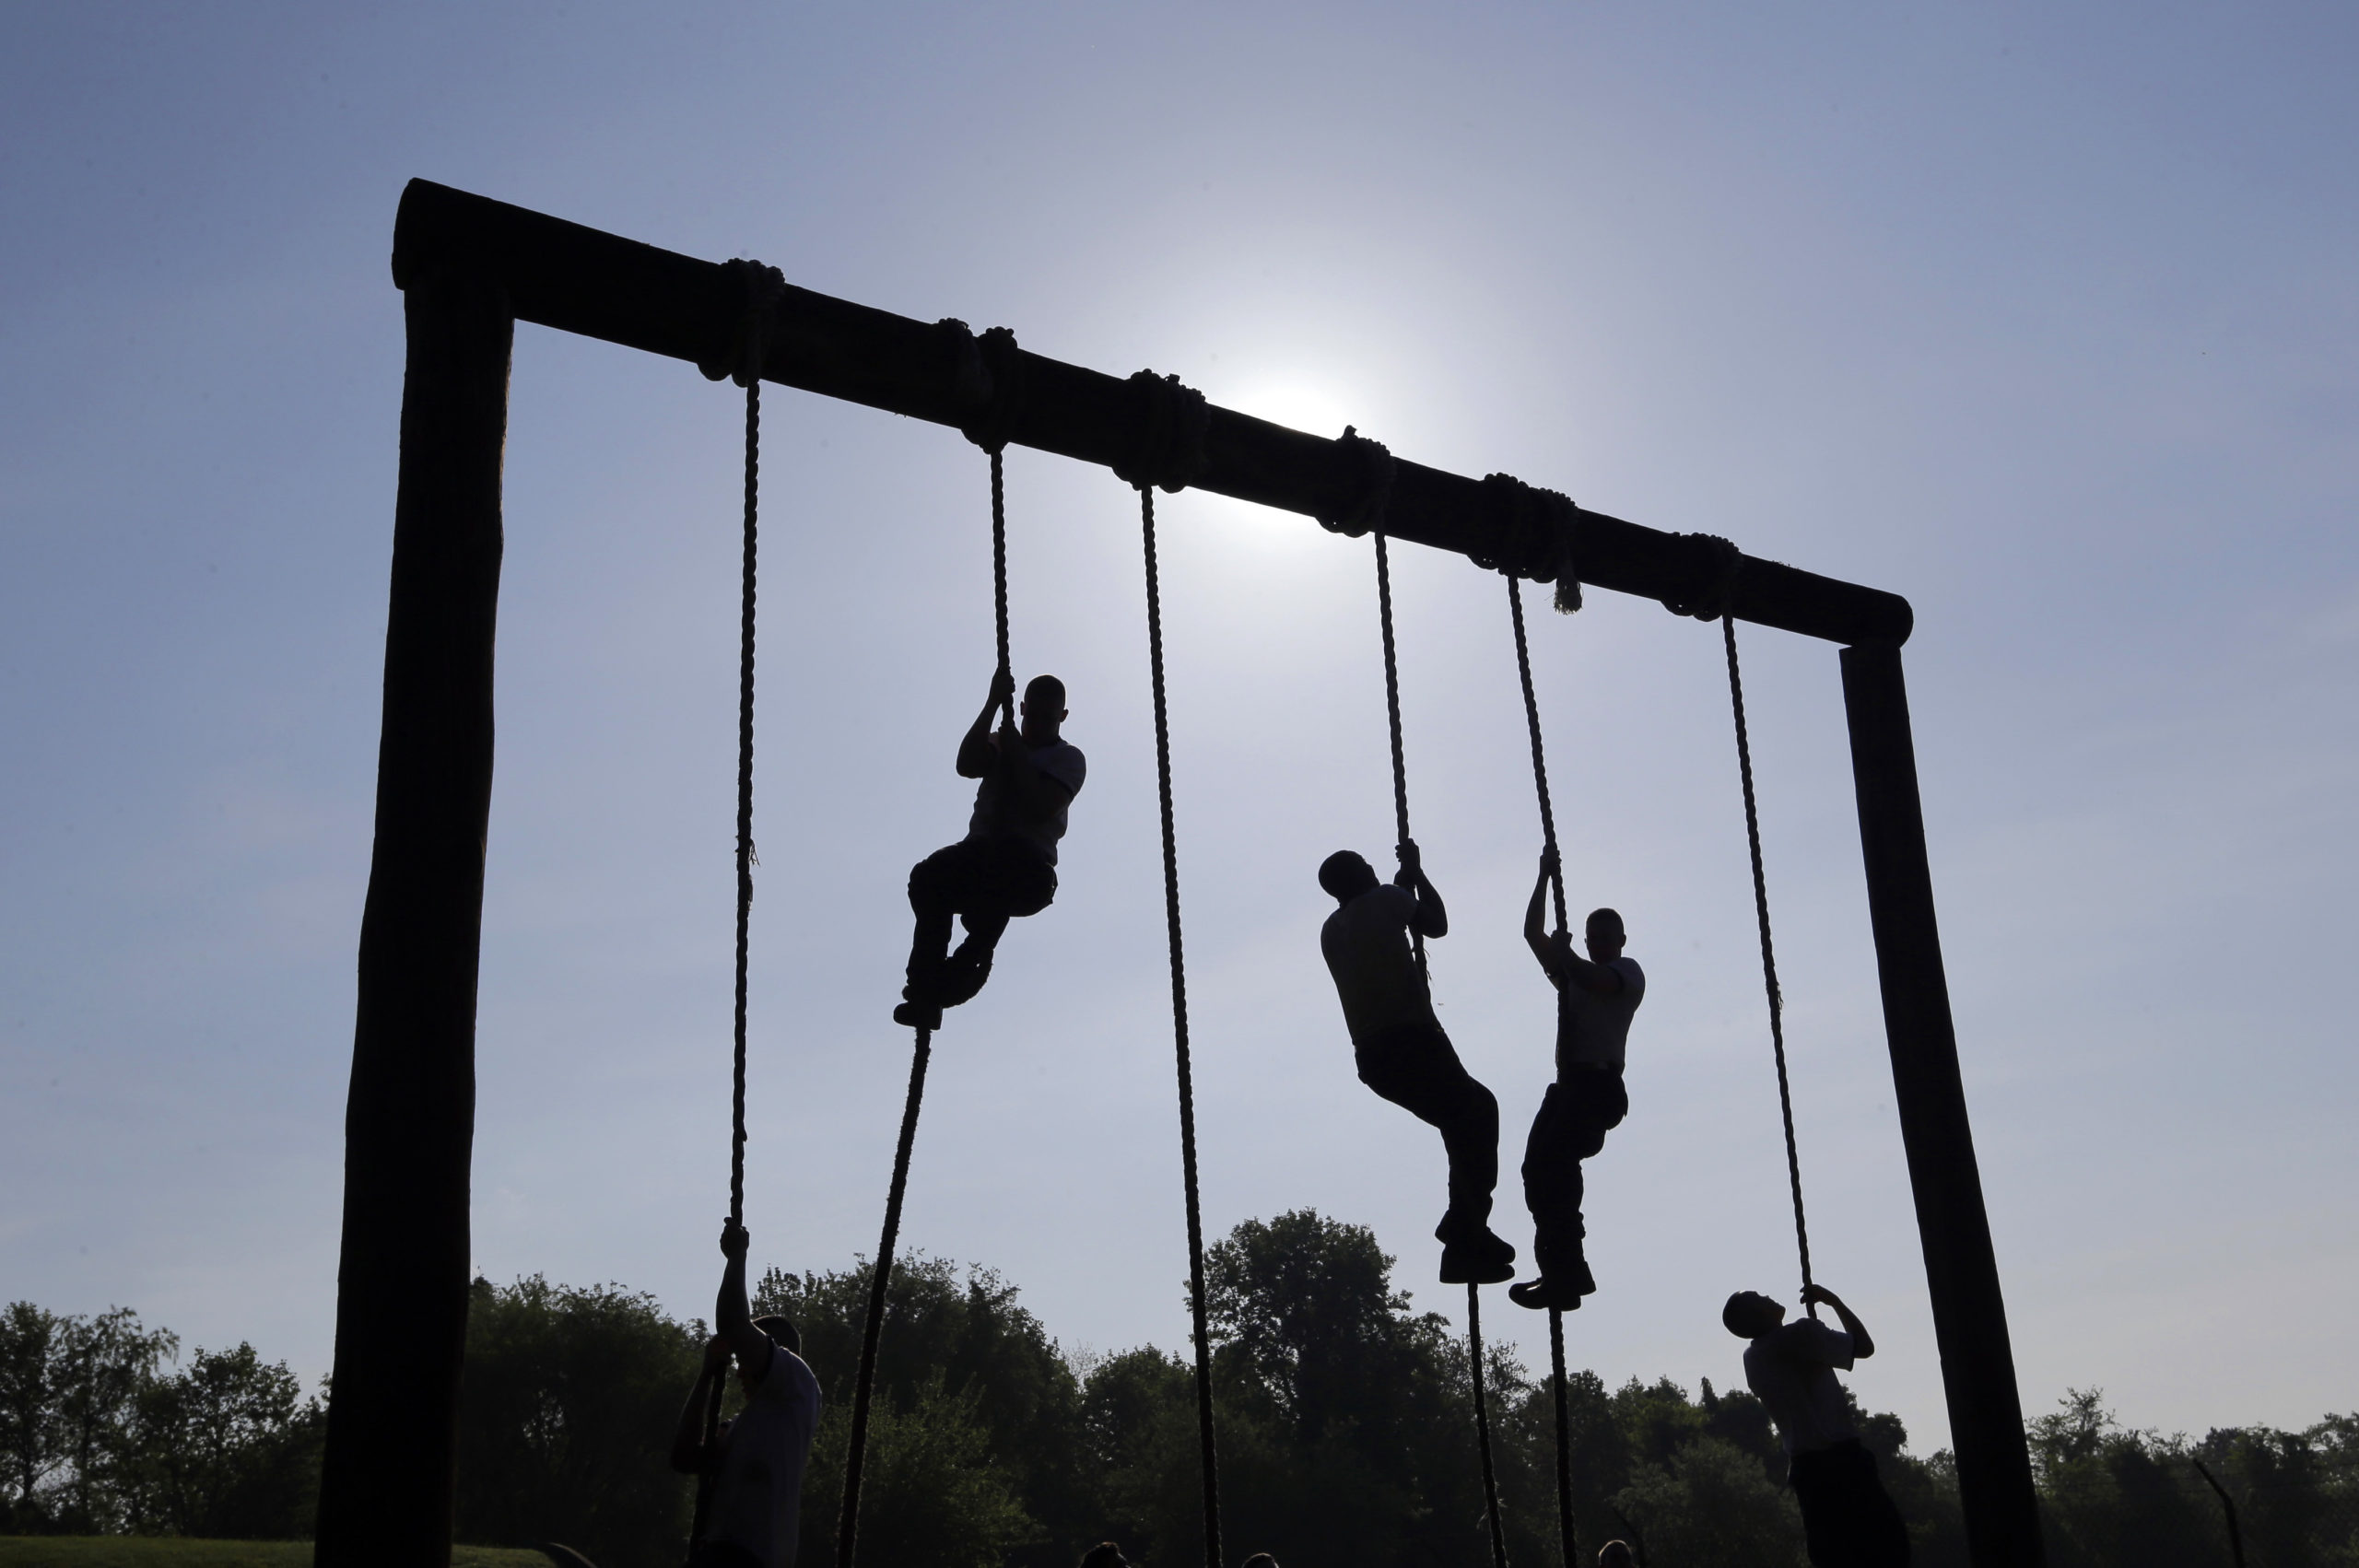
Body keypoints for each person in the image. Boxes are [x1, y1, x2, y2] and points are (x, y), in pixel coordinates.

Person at [1317, 840, 1514, 1283]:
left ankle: (1465, 1232)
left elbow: (1383, 932)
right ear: (1361, 875)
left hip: (1374, 1059)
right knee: (1478, 1112)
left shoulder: (1331, 930)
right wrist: (1417, 874)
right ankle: (1464, 1230)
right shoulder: (1388, 898)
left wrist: (1400, 886)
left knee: (1461, 1121)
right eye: (1367, 866)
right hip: (1414, 1040)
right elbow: (1437, 925)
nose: (1373, 868)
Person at [897, 670, 1086, 1030]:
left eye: (1048, 718)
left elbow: (1040, 806)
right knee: (927, 877)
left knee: (1007, 854)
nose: (1040, 724)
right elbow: (966, 765)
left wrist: (1015, 753)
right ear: (1024, 709)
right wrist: (992, 704)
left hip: (1028, 873)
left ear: (1062, 717)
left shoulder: (1069, 759)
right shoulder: (1000, 742)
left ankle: (973, 957)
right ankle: (924, 990)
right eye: (1033, 716)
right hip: (979, 860)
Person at [1510, 848, 1644, 1311]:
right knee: (1536, 1172)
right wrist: (1543, 876)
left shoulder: (1626, 973)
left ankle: (1567, 1273)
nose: (1600, 944)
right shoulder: (1570, 974)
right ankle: (1561, 1270)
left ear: (1621, 940)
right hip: (1569, 1088)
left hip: (1596, 1088)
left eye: (1607, 938)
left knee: (1556, 1169)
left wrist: (1567, 956)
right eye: (1594, 939)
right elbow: (1532, 933)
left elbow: (1594, 980)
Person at [1723, 1283, 1911, 1567]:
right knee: (1887, 1549)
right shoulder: (1801, 1334)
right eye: (1760, 1297)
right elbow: (1863, 1347)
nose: (1768, 1296)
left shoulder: (1752, 1359)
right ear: (1759, 1312)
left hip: (1806, 1471)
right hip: (1843, 1462)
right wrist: (1833, 1301)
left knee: (1833, 1555)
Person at [671, 1220, 823, 1568]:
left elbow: (734, 1325)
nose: (739, 1369)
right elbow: (683, 1458)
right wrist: (706, 1377)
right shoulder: (743, 1426)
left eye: (744, 1357)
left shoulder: (797, 1384)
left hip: (750, 1558)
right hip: (719, 1553)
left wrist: (736, 1258)